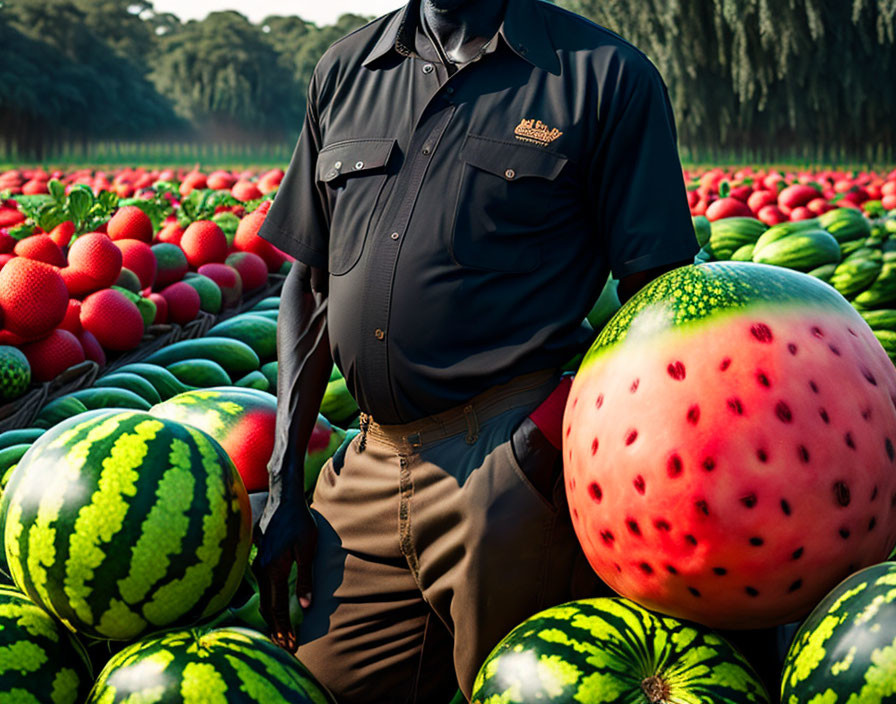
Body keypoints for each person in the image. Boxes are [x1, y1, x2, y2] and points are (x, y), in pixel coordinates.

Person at [255, 0, 698, 700]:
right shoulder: (345, 69)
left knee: (514, 688)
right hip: (369, 466)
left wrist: (541, 444)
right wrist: (284, 485)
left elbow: (664, 309)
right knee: (323, 689)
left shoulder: (603, 76)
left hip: (508, 463)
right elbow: (308, 287)